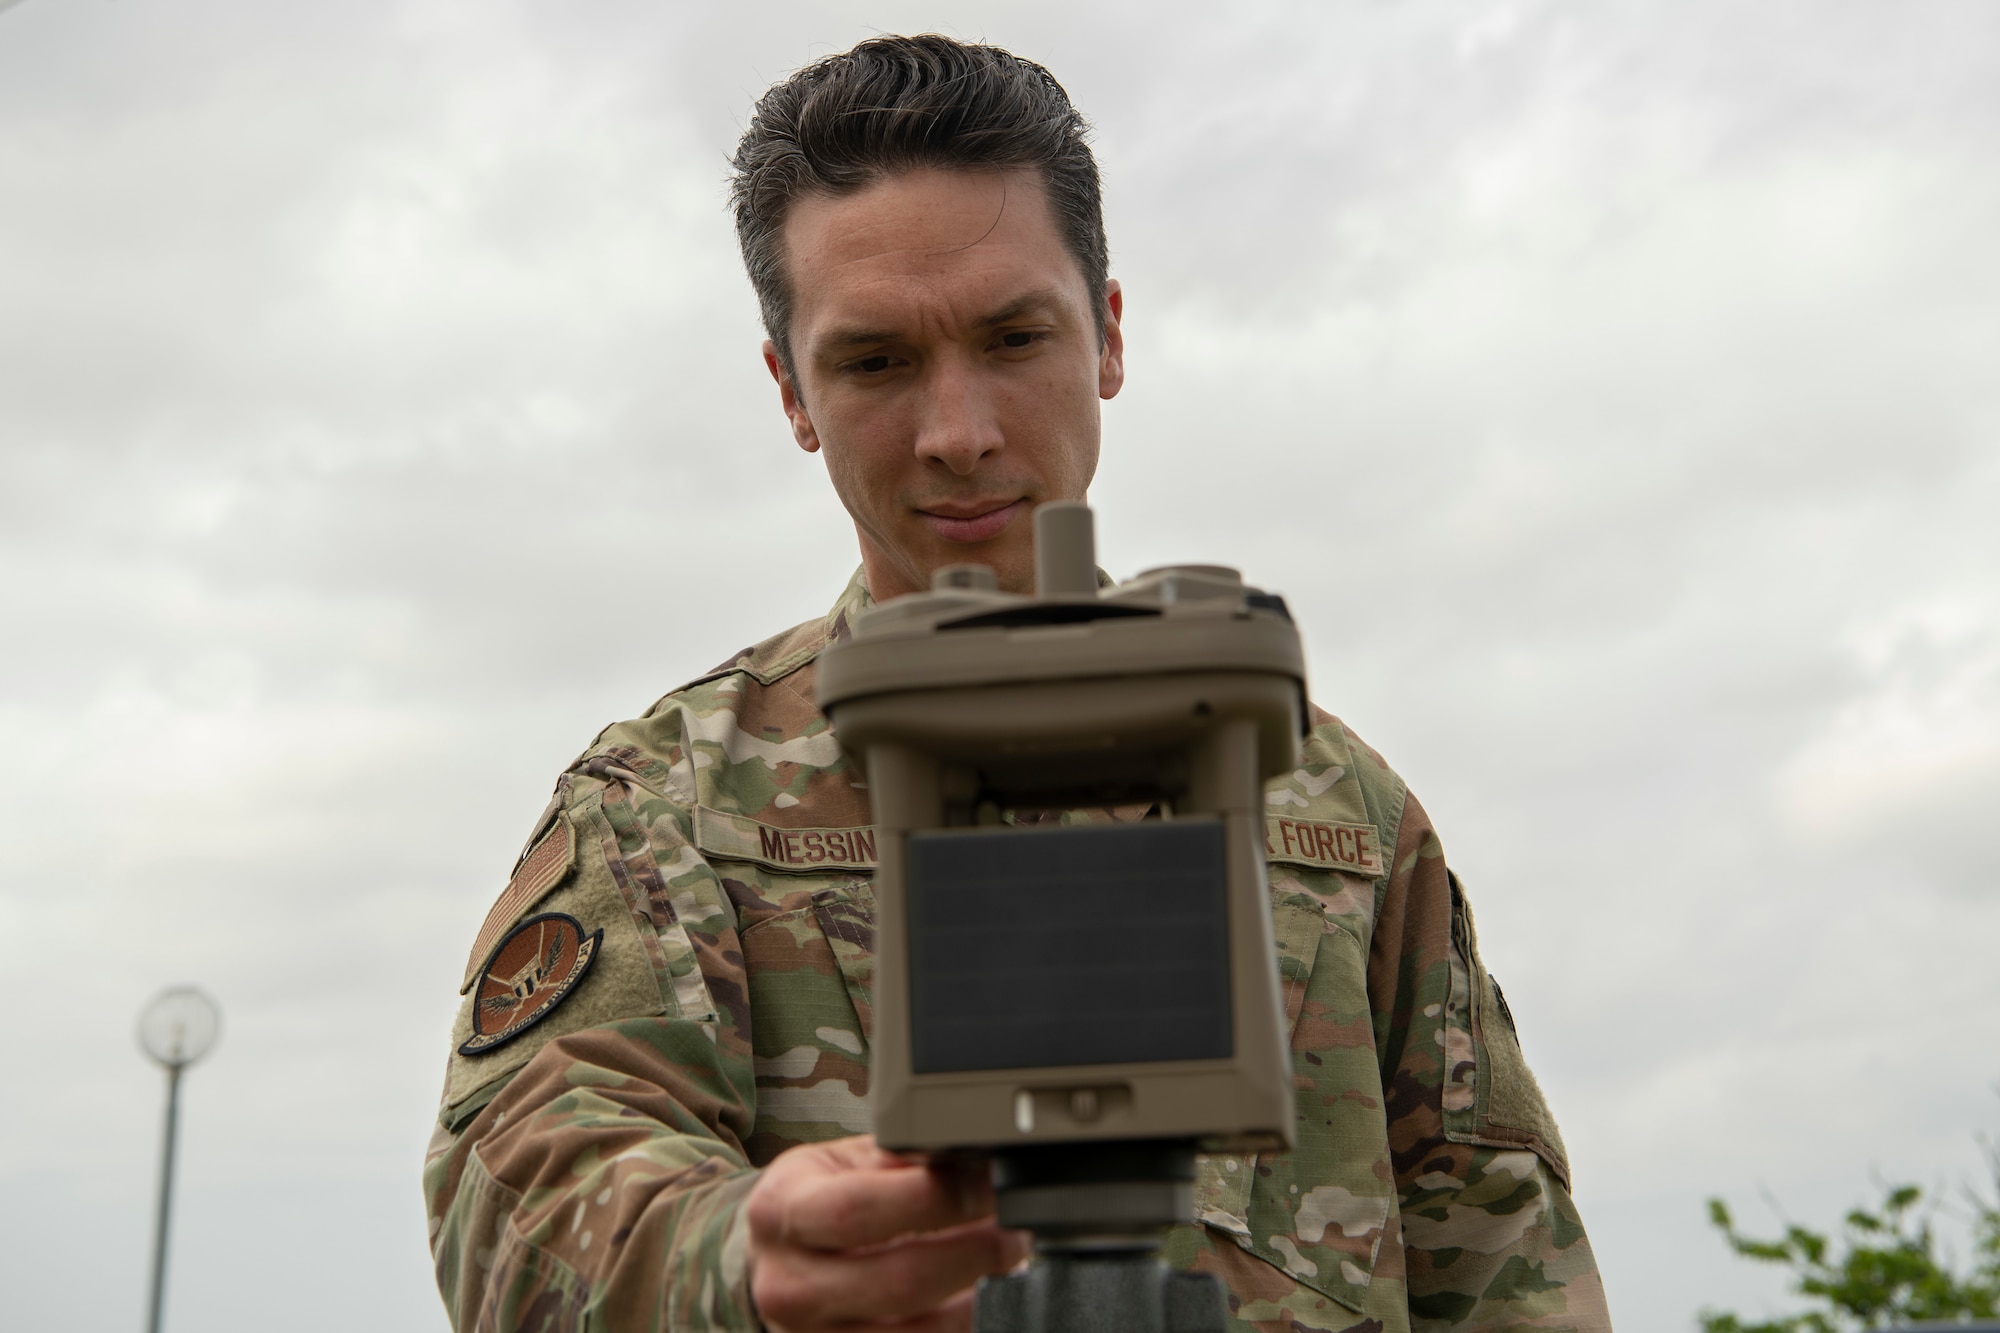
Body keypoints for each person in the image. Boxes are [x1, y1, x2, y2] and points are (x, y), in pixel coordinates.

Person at [424, 33, 1612, 1333]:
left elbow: (1501, 1250)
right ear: (792, 391)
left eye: (1012, 335)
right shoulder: (669, 808)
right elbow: (520, 1185)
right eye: (875, 360)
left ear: (1105, 333)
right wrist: (733, 1260)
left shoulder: (1338, 809)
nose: (960, 431)